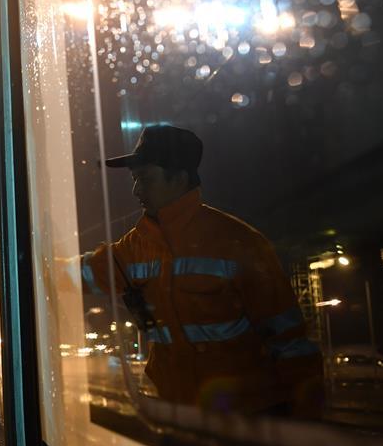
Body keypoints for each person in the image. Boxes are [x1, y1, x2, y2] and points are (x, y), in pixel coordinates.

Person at [81, 124, 322, 415]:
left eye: (145, 178)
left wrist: (302, 418)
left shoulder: (239, 243)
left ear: (179, 179)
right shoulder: (136, 245)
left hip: (247, 421)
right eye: (135, 179)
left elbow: (290, 342)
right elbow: (82, 274)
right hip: (180, 419)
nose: (136, 189)